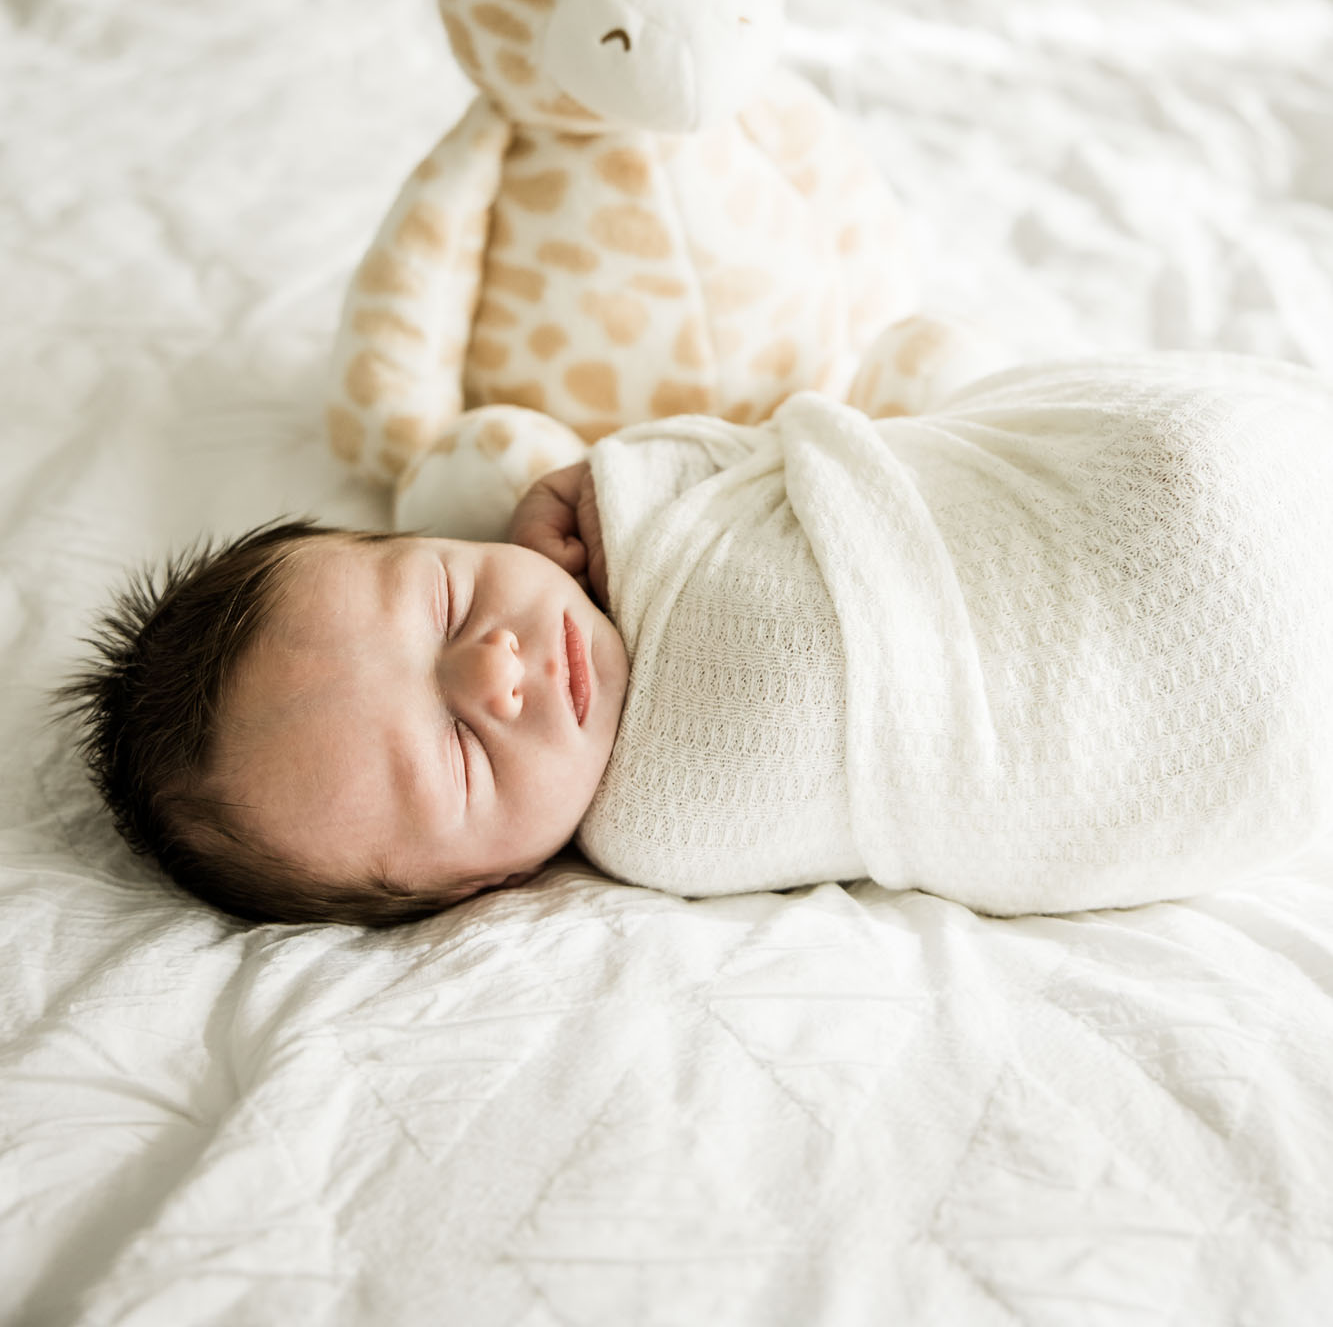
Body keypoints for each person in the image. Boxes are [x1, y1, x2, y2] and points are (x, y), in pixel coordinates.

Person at [62, 355, 1333, 927]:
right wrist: (629, 499)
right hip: (1222, 699)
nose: (498, 667)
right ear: (479, 884)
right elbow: (779, 662)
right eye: (454, 757)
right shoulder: (668, 819)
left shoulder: (598, 548)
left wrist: (613, 496)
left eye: (448, 599)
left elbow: (776, 461)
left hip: (1156, 465)